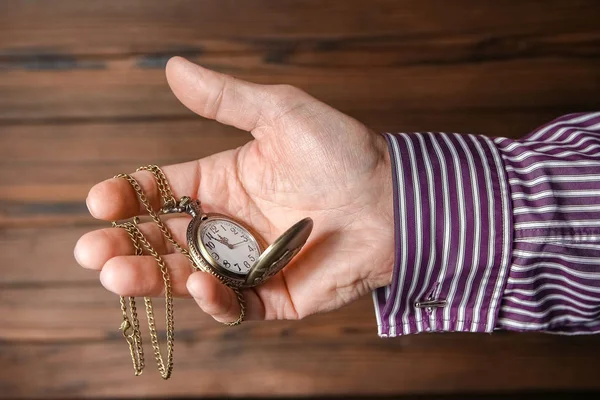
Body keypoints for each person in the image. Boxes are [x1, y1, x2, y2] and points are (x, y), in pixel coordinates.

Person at [74, 57, 600, 336]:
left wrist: (390, 202)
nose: (228, 243)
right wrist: (398, 205)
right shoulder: (213, 232)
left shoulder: (211, 233)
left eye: (226, 243)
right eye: (224, 244)